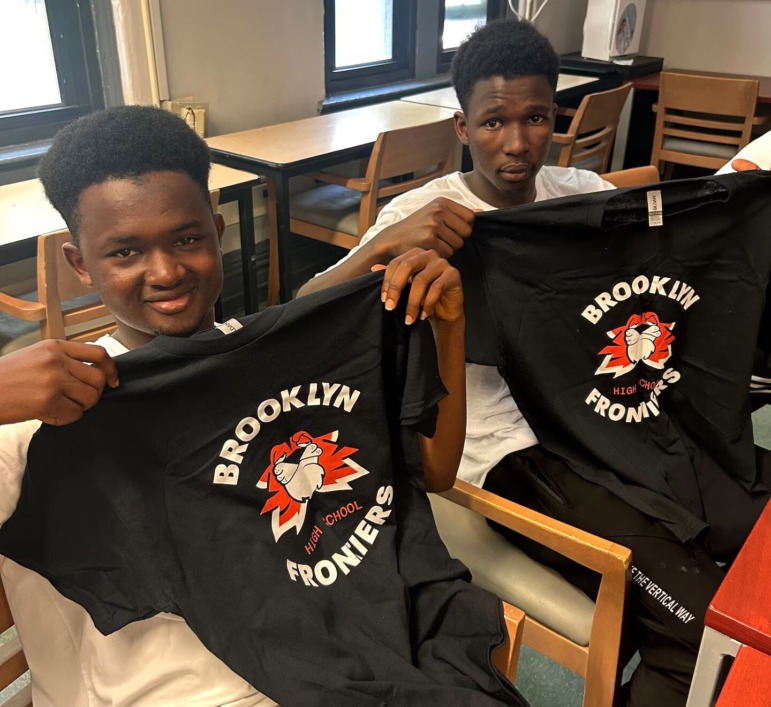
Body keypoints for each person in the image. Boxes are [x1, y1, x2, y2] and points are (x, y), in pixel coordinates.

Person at [298, 17, 770, 707]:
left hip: (615, 421)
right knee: (701, 622)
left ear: (556, 116)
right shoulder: (422, 215)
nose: (516, 143)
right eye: (492, 122)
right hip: (515, 454)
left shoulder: (576, 192)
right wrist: (385, 243)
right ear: (462, 127)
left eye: (535, 118)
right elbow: (301, 317)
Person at [0, 105, 475, 705]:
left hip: (320, 660)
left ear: (218, 233)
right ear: (78, 263)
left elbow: (432, 471)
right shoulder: (36, 418)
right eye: (124, 253)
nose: (166, 271)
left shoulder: (257, 365)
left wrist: (449, 331)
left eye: (187, 239)